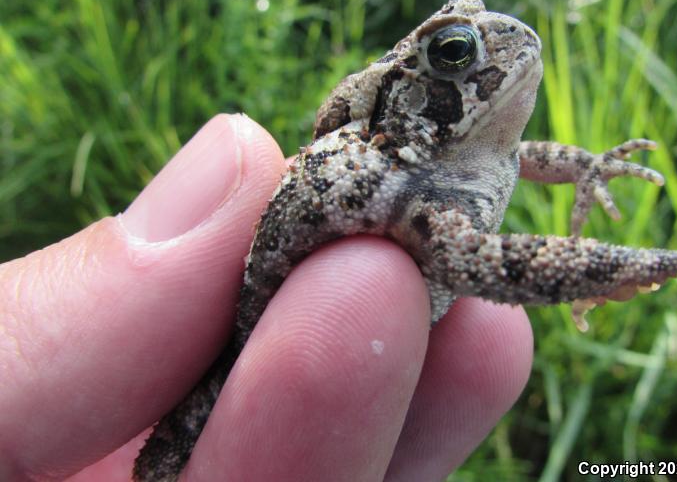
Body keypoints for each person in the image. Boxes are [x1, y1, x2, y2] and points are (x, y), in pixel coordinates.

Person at [0, 114, 533, 481]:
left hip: (335, 326)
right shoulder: (399, 153)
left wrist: (586, 167)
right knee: (183, 433)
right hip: (252, 327)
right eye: (454, 52)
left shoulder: (483, 152)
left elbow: (523, 155)